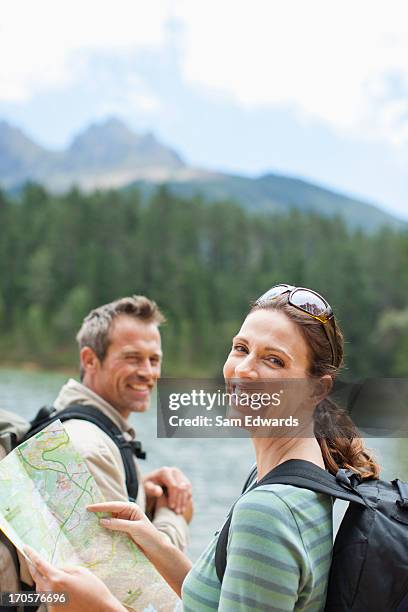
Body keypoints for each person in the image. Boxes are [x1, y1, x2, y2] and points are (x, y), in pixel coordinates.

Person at [26, 284, 380, 611]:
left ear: (317, 390)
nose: (243, 370)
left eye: (274, 360)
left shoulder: (269, 512)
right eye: (241, 348)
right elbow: (223, 598)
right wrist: (158, 542)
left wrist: (101, 607)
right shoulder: (281, 477)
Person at [49, 296, 192, 550]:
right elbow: (135, 580)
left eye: (154, 360)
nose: (148, 373)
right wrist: (174, 514)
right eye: (132, 358)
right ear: (90, 360)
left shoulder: (70, 425)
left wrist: (141, 496)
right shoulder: (89, 448)